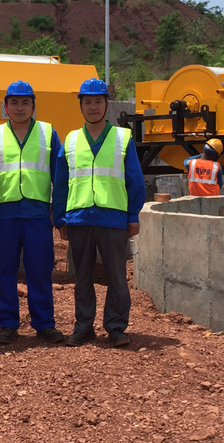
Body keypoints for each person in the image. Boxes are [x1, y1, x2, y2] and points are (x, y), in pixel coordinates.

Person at [52, 78, 145, 348]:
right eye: (87, 102)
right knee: (82, 277)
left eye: (98, 101)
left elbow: (135, 180)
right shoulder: (70, 140)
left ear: (107, 104)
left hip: (113, 217)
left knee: (116, 276)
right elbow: (60, 183)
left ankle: (116, 327)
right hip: (79, 217)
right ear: (80, 105)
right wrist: (60, 218)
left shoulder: (122, 138)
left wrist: (133, 215)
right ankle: (83, 327)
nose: (93, 107)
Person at [0, 80, 64, 345]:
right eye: (14, 102)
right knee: (5, 270)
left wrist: (57, 212)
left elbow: (59, 176)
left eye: (25, 102)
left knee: (39, 269)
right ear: (5, 107)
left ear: (33, 106)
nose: (20, 107)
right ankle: (8, 323)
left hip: (37, 212)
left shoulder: (47, 133)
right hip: (4, 212)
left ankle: (44, 323)